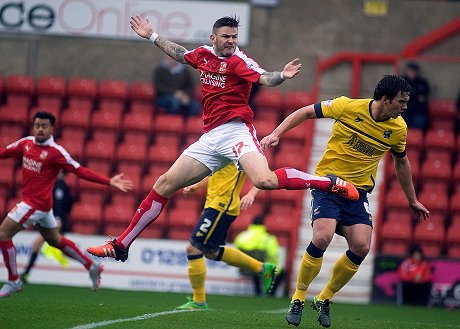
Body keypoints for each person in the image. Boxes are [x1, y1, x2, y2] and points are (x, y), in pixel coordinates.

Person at [87, 15, 359, 262]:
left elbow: (264, 77)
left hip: (237, 131)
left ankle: (327, 182)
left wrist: (282, 76)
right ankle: (122, 244)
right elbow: (181, 54)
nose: (231, 41)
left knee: (263, 180)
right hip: (211, 137)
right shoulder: (203, 55)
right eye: (226, 37)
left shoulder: (241, 62)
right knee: (164, 184)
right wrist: (153, 36)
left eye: (234, 37)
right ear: (213, 38)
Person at [260, 75, 430, 327]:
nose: (405, 107)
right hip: (329, 185)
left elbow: (401, 162)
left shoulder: (398, 129)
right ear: (385, 99)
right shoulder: (347, 107)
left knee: (361, 247)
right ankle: (298, 298)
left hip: (358, 193)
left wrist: (412, 199)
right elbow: (306, 112)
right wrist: (276, 134)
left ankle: (324, 298)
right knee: (322, 237)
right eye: (401, 102)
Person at [0, 111, 133, 298]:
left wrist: (108, 181)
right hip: (43, 207)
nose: (39, 129)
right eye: (37, 125)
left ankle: (14, 280)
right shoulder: (25, 143)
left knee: (3, 233)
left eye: (44, 126)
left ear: (52, 128)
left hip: (35, 204)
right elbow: (4, 152)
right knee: (55, 240)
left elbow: (79, 170)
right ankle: (92, 265)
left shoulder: (56, 152)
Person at [174, 163, 276, 310]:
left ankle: (199, 301)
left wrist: (250, 194)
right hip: (213, 204)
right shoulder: (220, 145)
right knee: (211, 251)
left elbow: (266, 175)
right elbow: (214, 175)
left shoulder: (241, 149)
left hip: (222, 206)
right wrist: (196, 186)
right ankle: (262, 268)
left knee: (193, 248)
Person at [20, 170, 73, 283]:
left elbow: (59, 205)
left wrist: (58, 219)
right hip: (54, 220)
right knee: (62, 248)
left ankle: (26, 273)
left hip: (56, 221)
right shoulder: (58, 185)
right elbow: (69, 205)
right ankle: (26, 273)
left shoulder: (60, 186)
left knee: (39, 243)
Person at [234, 214, 284, 296]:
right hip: (262, 269)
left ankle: (257, 293)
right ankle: (271, 294)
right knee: (281, 272)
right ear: (263, 225)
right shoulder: (268, 239)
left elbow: (235, 252)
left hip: (245, 268)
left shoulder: (242, 236)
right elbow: (273, 256)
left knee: (254, 268)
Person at [401, 62, 430, 131]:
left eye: (414, 71)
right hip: (404, 111)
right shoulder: (401, 81)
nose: (412, 73)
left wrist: (410, 96)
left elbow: (423, 98)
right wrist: (416, 96)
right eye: (410, 70)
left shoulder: (422, 82)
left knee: (420, 122)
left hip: (418, 111)